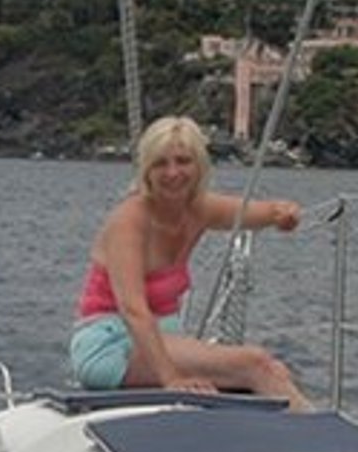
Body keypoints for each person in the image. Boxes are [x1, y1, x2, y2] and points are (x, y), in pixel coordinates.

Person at [68, 115, 310, 408]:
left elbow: (262, 212)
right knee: (255, 363)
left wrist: (284, 215)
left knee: (275, 372)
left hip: (159, 342)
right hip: (111, 346)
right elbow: (133, 310)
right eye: (161, 163)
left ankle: (302, 442)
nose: (173, 172)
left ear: (199, 166)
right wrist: (171, 380)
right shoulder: (129, 220)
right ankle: (325, 442)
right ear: (147, 171)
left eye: (183, 161)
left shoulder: (199, 209)